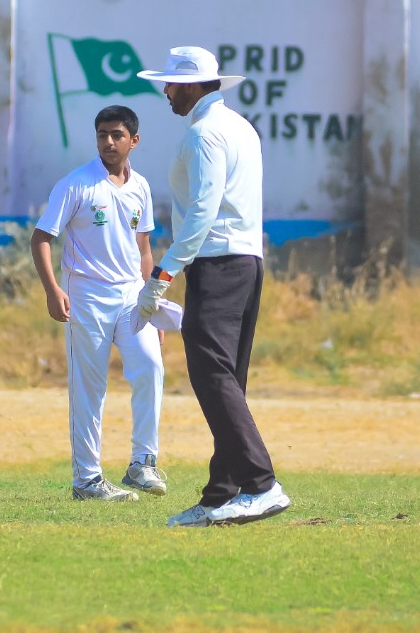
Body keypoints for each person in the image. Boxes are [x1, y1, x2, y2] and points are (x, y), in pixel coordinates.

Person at [135, 46, 290, 527]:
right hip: (246, 260)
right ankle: (222, 493)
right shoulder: (240, 126)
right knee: (227, 378)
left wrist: (163, 274)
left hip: (217, 263)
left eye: (171, 84)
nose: (165, 91)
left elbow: (203, 209)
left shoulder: (203, 134)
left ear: (193, 85)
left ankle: (261, 484)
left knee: (211, 375)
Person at [31, 105, 168, 502]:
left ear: (134, 141)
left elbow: (144, 248)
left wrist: (152, 303)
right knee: (90, 388)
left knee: (150, 366)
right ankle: (88, 480)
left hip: (132, 296)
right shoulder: (76, 184)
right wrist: (52, 290)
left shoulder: (141, 187)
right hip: (87, 296)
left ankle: (142, 463)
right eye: (102, 135)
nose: (108, 142)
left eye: (117, 135)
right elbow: (41, 238)